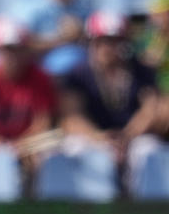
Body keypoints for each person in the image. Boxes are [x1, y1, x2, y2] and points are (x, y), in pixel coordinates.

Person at [58, 11, 163, 181]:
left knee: (149, 150)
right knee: (75, 148)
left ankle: (145, 205)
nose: (108, 46)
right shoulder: (77, 74)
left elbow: (151, 109)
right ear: (92, 42)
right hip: (92, 137)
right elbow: (72, 117)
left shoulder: (141, 71)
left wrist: (127, 136)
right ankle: (87, 205)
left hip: (133, 136)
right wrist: (99, 138)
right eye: (102, 41)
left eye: (114, 40)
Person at [0, 16, 58, 192]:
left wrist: (22, 145)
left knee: (50, 148)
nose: (13, 55)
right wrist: (0, 146)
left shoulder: (39, 78)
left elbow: (43, 122)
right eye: (8, 50)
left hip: (28, 144)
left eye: (18, 49)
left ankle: (47, 206)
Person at [20, 0, 92, 76]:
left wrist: (81, 35)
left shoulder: (84, 8)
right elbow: (21, 46)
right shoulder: (30, 8)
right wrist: (64, 39)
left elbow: (98, 46)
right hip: (44, 77)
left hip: (82, 79)